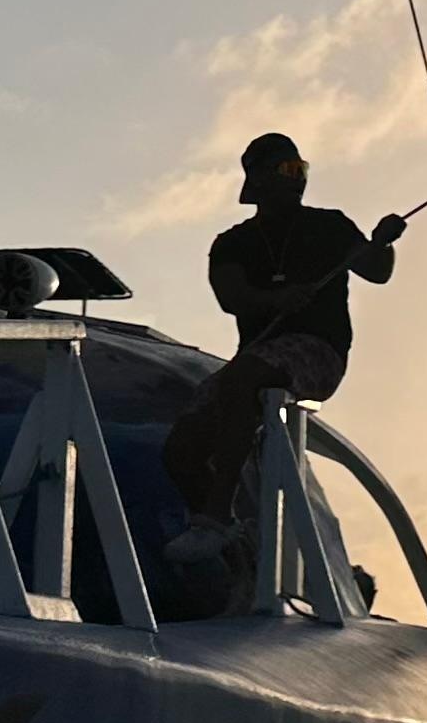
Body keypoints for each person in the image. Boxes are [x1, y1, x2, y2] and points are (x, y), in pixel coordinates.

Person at [161, 133, 405, 515]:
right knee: (181, 450)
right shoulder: (232, 243)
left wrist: (382, 243)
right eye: (287, 169)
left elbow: (376, 271)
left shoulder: (331, 225)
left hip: (319, 353)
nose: (298, 178)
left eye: (301, 168)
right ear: (258, 179)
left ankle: (217, 515)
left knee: (243, 377)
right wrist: (277, 299)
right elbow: (231, 298)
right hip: (255, 358)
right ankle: (229, 538)